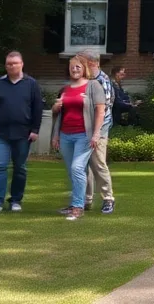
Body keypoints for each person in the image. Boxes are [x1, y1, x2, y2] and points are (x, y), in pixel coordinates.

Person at [0, 51, 43, 215]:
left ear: (22, 64)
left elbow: (38, 109)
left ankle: (16, 200)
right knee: (0, 166)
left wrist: (35, 130)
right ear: (6, 65)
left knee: (20, 168)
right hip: (0, 133)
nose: (12, 66)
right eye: (9, 64)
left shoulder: (31, 84)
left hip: (23, 134)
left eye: (15, 63)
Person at [50, 55, 107, 221]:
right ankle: (75, 203)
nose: (74, 70)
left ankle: (77, 207)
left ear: (84, 69)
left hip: (84, 135)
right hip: (66, 135)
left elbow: (100, 111)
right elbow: (58, 114)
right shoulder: (65, 89)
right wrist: (55, 109)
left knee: (77, 168)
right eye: (72, 67)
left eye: (78, 67)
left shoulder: (93, 86)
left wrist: (96, 134)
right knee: (72, 171)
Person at [80, 50, 116, 214]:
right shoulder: (85, 79)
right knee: (83, 165)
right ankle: (86, 200)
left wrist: (97, 132)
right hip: (83, 128)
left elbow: (104, 107)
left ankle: (108, 199)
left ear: (92, 63)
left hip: (98, 129)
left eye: (82, 62)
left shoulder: (102, 80)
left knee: (98, 163)